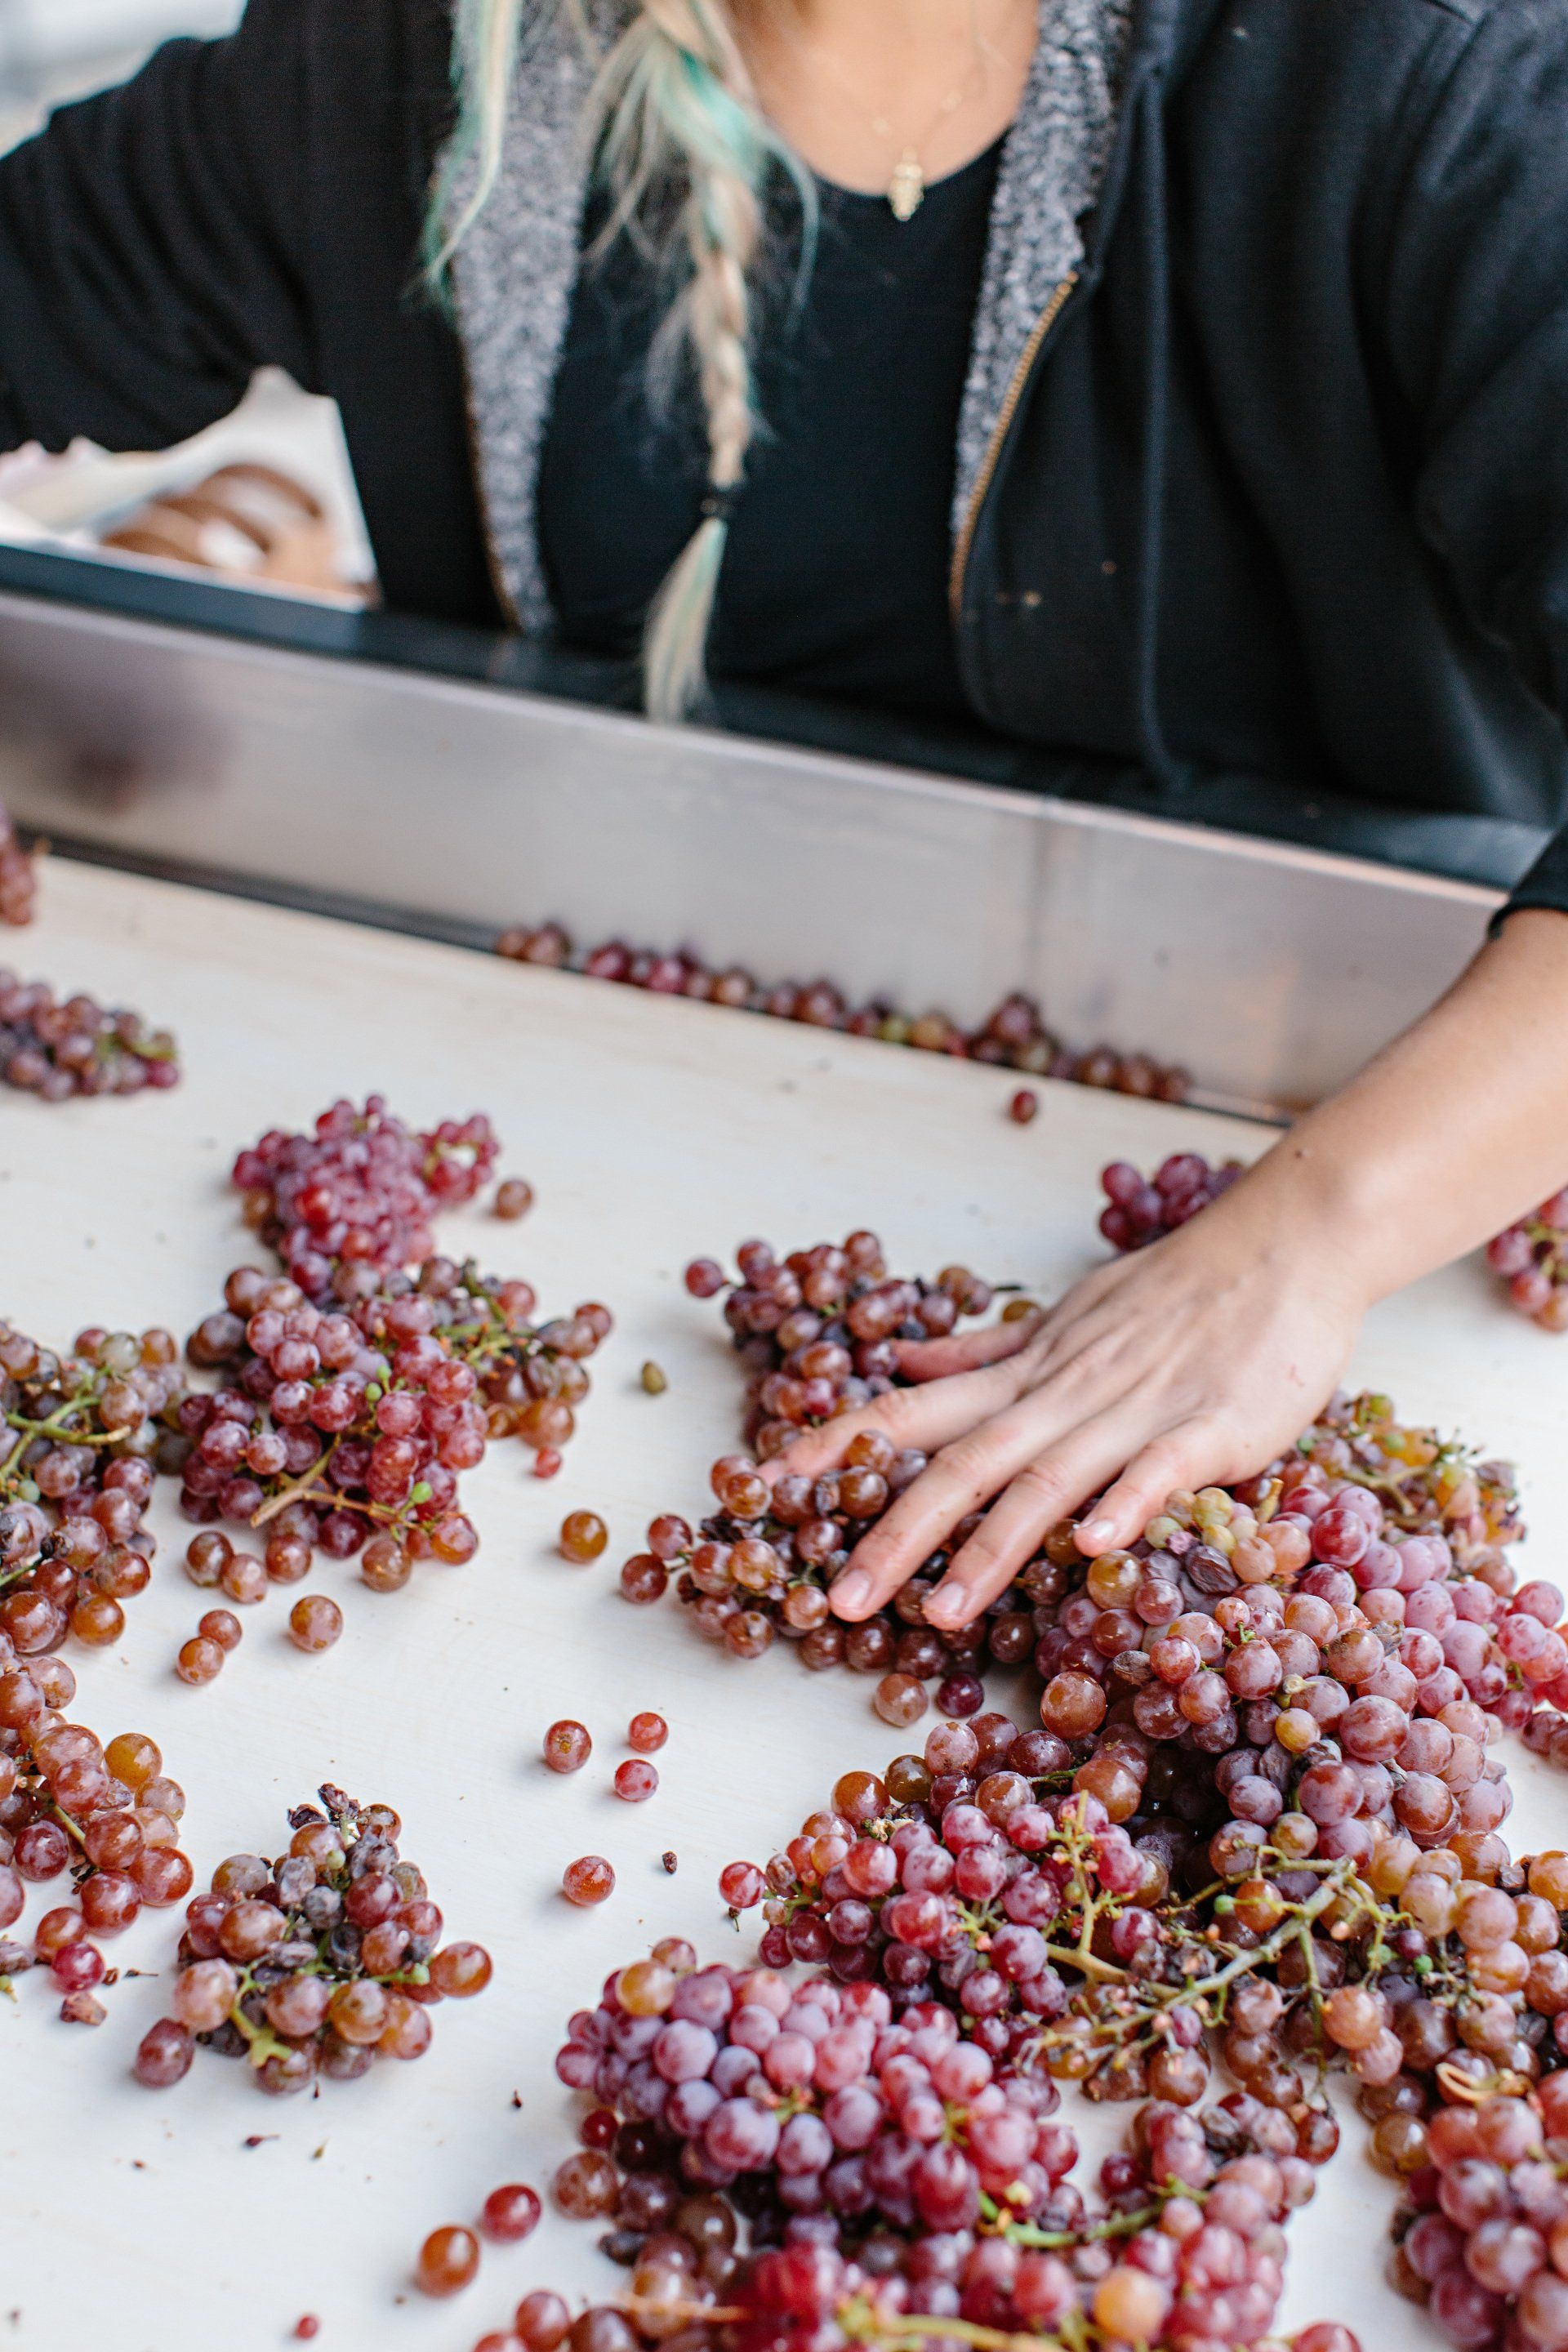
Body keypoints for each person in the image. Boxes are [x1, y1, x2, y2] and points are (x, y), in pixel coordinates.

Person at [2, 0, 1567, 1625]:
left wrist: (1311, 1234)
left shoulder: (1406, 78)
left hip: (1394, 1140)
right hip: (612, 1092)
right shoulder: (408, 58)